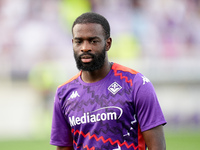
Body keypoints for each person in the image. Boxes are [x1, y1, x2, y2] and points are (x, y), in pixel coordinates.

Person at [50, 12, 167, 150]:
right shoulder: (64, 93)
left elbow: (157, 146)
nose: (85, 47)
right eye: (79, 41)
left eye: (93, 41)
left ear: (108, 43)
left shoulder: (136, 83)